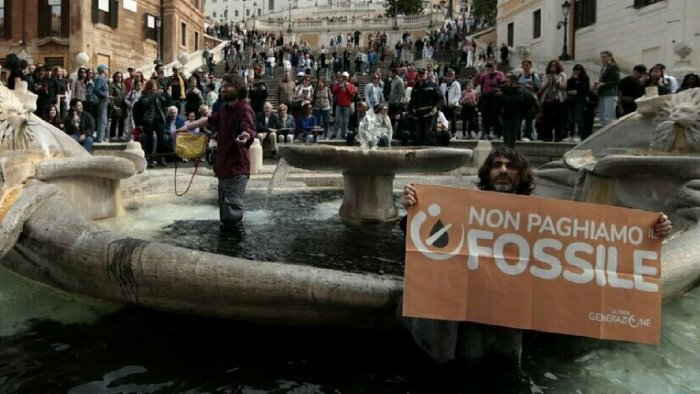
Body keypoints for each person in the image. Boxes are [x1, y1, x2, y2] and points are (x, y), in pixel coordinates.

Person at [399, 147, 673, 371]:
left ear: (521, 174)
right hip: (470, 319)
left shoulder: (543, 218)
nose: (504, 170)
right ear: (488, 173)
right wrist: (413, 207)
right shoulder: (463, 206)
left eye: (511, 165)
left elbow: (597, 245)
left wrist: (653, 232)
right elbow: (418, 233)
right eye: (497, 165)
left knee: (506, 373)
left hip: (512, 323)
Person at [176, 75, 256, 230]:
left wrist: (245, 136)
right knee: (224, 213)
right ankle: (226, 247)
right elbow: (209, 119)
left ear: (239, 88)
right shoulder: (225, 109)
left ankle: (234, 249)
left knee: (232, 214)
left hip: (236, 169)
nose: (224, 88)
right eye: (223, 86)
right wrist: (188, 127)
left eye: (228, 86)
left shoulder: (244, 109)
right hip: (223, 168)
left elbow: (248, 129)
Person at [137, 79, 171, 168]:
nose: (155, 89)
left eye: (156, 87)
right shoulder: (144, 96)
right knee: (149, 140)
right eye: (153, 87)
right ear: (148, 88)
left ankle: (161, 158)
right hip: (149, 121)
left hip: (160, 119)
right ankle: (150, 159)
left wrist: (166, 94)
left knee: (162, 139)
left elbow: (167, 103)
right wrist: (155, 95)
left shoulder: (158, 95)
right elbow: (146, 104)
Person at [409, 68, 443, 145]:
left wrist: (436, 107)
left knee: (429, 135)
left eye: (423, 74)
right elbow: (412, 101)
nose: (421, 76)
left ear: (426, 75)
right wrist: (412, 110)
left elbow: (440, 98)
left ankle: (431, 154)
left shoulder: (433, 85)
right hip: (418, 115)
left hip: (429, 114)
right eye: (420, 74)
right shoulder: (415, 87)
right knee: (419, 136)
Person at [473, 62, 505, 140]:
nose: (491, 67)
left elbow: (503, 83)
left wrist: (499, 89)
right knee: (485, 115)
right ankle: (486, 132)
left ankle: (497, 133)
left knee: (495, 115)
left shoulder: (500, 74)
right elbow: (476, 82)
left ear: (496, 65)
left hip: (496, 97)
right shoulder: (485, 75)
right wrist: (480, 73)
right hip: (486, 96)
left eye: (492, 65)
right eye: (489, 66)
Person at [538, 59, 567, 142]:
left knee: (559, 119)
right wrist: (547, 81)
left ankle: (558, 136)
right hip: (547, 100)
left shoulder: (562, 75)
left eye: (554, 65)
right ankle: (547, 137)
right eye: (551, 65)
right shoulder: (546, 75)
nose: (553, 67)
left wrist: (556, 79)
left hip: (558, 99)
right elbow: (542, 87)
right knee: (547, 119)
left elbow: (564, 86)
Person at [593, 51, 620, 128]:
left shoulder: (613, 66)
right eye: (602, 57)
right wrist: (598, 83)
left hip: (610, 94)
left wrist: (603, 84)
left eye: (605, 57)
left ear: (610, 57)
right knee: (602, 117)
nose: (603, 59)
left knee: (609, 117)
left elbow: (617, 80)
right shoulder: (603, 68)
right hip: (602, 94)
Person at [497, 74, 525, 148]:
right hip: (505, 116)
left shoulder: (519, 90)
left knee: (511, 139)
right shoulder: (507, 90)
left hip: (514, 117)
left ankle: (511, 155)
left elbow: (513, 101)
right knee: (506, 139)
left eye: (508, 80)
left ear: (513, 81)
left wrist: (503, 96)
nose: (506, 81)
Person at [565, 64, 590, 143]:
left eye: (578, 70)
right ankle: (571, 134)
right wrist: (572, 90)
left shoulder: (585, 79)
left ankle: (579, 135)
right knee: (571, 119)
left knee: (579, 118)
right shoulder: (570, 80)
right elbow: (568, 89)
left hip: (580, 101)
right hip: (571, 101)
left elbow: (585, 89)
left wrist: (577, 85)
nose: (576, 71)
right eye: (575, 70)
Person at [518, 59, 541, 141]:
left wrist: (531, 87)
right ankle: (520, 135)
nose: (525, 67)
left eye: (527, 65)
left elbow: (538, 88)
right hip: (522, 99)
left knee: (529, 119)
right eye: (524, 65)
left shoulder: (534, 76)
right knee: (520, 118)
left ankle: (528, 135)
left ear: (530, 66)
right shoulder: (520, 76)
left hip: (531, 99)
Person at [331, 71, 357, 139]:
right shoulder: (338, 84)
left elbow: (351, 95)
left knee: (345, 121)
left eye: (345, 77)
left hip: (347, 105)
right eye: (343, 77)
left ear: (348, 78)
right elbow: (333, 91)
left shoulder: (351, 85)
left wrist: (346, 88)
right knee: (337, 120)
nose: (344, 78)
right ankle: (334, 133)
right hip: (339, 105)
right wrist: (339, 86)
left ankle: (344, 133)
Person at [439, 69, 461, 139]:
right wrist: (443, 102)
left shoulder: (456, 84)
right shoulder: (443, 85)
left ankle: (453, 134)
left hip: (453, 105)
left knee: (453, 120)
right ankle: (446, 133)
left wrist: (453, 102)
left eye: (451, 76)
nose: (449, 78)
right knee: (445, 120)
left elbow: (458, 95)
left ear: (453, 77)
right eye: (448, 76)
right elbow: (441, 94)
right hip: (445, 106)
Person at [93, 64, 111, 142]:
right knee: (102, 120)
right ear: (103, 70)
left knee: (104, 120)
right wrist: (106, 95)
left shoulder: (103, 79)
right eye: (107, 69)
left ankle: (102, 137)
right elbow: (96, 89)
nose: (108, 71)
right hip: (102, 100)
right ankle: (100, 138)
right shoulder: (100, 79)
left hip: (104, 100)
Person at [109, 71, 128, 141]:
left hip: (123, 105)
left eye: (120, 76)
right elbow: (110, 96)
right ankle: (112, 136)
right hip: (116, 105)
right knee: (114, 120)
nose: (119, 78)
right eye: (118, 76)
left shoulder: (123, 85)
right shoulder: (112, 85)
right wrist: (113, 105)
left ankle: (120, 135)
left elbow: (125, 94)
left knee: (121, 121)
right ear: (115, 77)